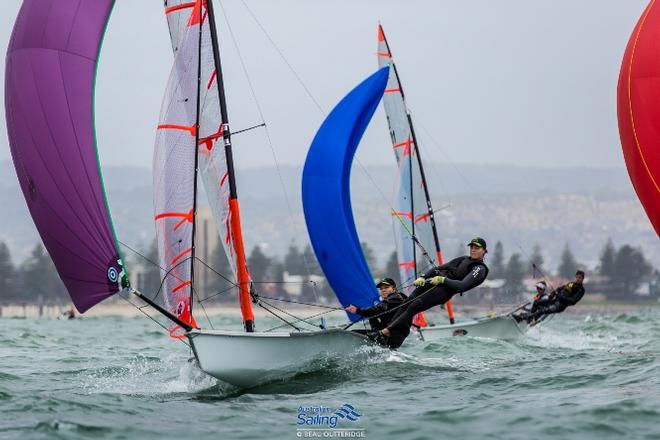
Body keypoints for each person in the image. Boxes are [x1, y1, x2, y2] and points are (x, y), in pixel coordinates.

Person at [378, 237, 490, 346]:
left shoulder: (480, 269)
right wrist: (423, 277)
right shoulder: (464, 259)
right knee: (407, 303)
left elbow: (462, 286)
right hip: (432, 282)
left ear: (484, 251)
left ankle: (387, 332)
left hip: (443, 291)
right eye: (472, 247)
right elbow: (439, 268)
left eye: (477, 248)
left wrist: (442, 279)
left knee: (414, 307)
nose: (473, 249)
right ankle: (389, 330)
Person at [345, 278, 408, 349]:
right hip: (388, 336)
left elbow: (378, 309)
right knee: (355, 332)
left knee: (353, 335)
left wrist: (357, 310)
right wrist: (369, 314)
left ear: (394, 288)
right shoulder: (392, 299)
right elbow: (376, 311)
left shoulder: (395, 299)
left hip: (391, 337)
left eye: (386, 287)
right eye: (381, 289)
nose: (383, 290)